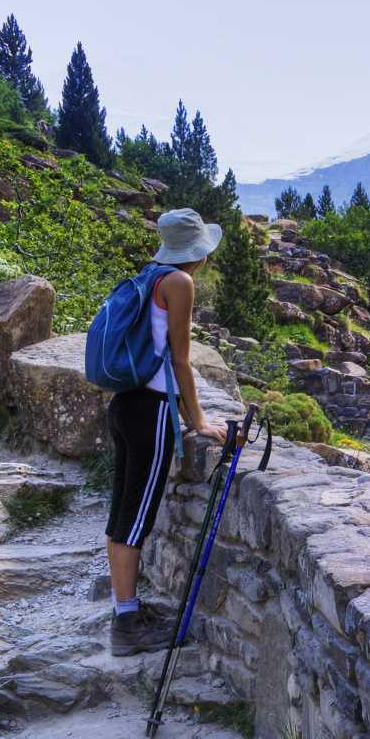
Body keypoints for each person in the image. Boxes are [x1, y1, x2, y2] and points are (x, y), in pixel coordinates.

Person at [105, 208, 228, 656]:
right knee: (135, 518)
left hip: (123, 405)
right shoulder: (180, 283)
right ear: (196, 251)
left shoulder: (149, 275)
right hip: (152, 412)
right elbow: (180, 359)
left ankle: (127, 608)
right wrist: (197, 421)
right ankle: (127, 628)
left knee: (121, 513)